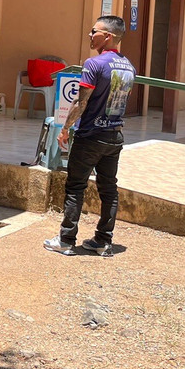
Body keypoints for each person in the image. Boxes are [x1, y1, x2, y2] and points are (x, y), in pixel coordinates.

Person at [44, 15, 137, 257]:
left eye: (94, 31)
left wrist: (65, 128)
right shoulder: (129, 66)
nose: (90, 35)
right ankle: (103, 241)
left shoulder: (94, 64)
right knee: (109, 189)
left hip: (91, 136)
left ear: (107, 36)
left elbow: (81, 101)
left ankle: (66, 240)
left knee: (75, 186)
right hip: (114, 136)